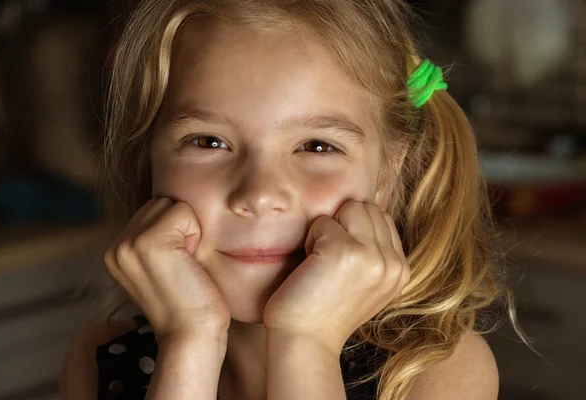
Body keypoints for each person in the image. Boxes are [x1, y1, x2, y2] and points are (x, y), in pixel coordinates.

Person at [60, 1, 509, 399]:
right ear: (149, 164)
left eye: (316, 146)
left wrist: (306, 343)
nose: (259, 195)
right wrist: (188, 344)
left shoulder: (437, 371)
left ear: (386, 174)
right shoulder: (98, 362)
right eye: (209, 142)